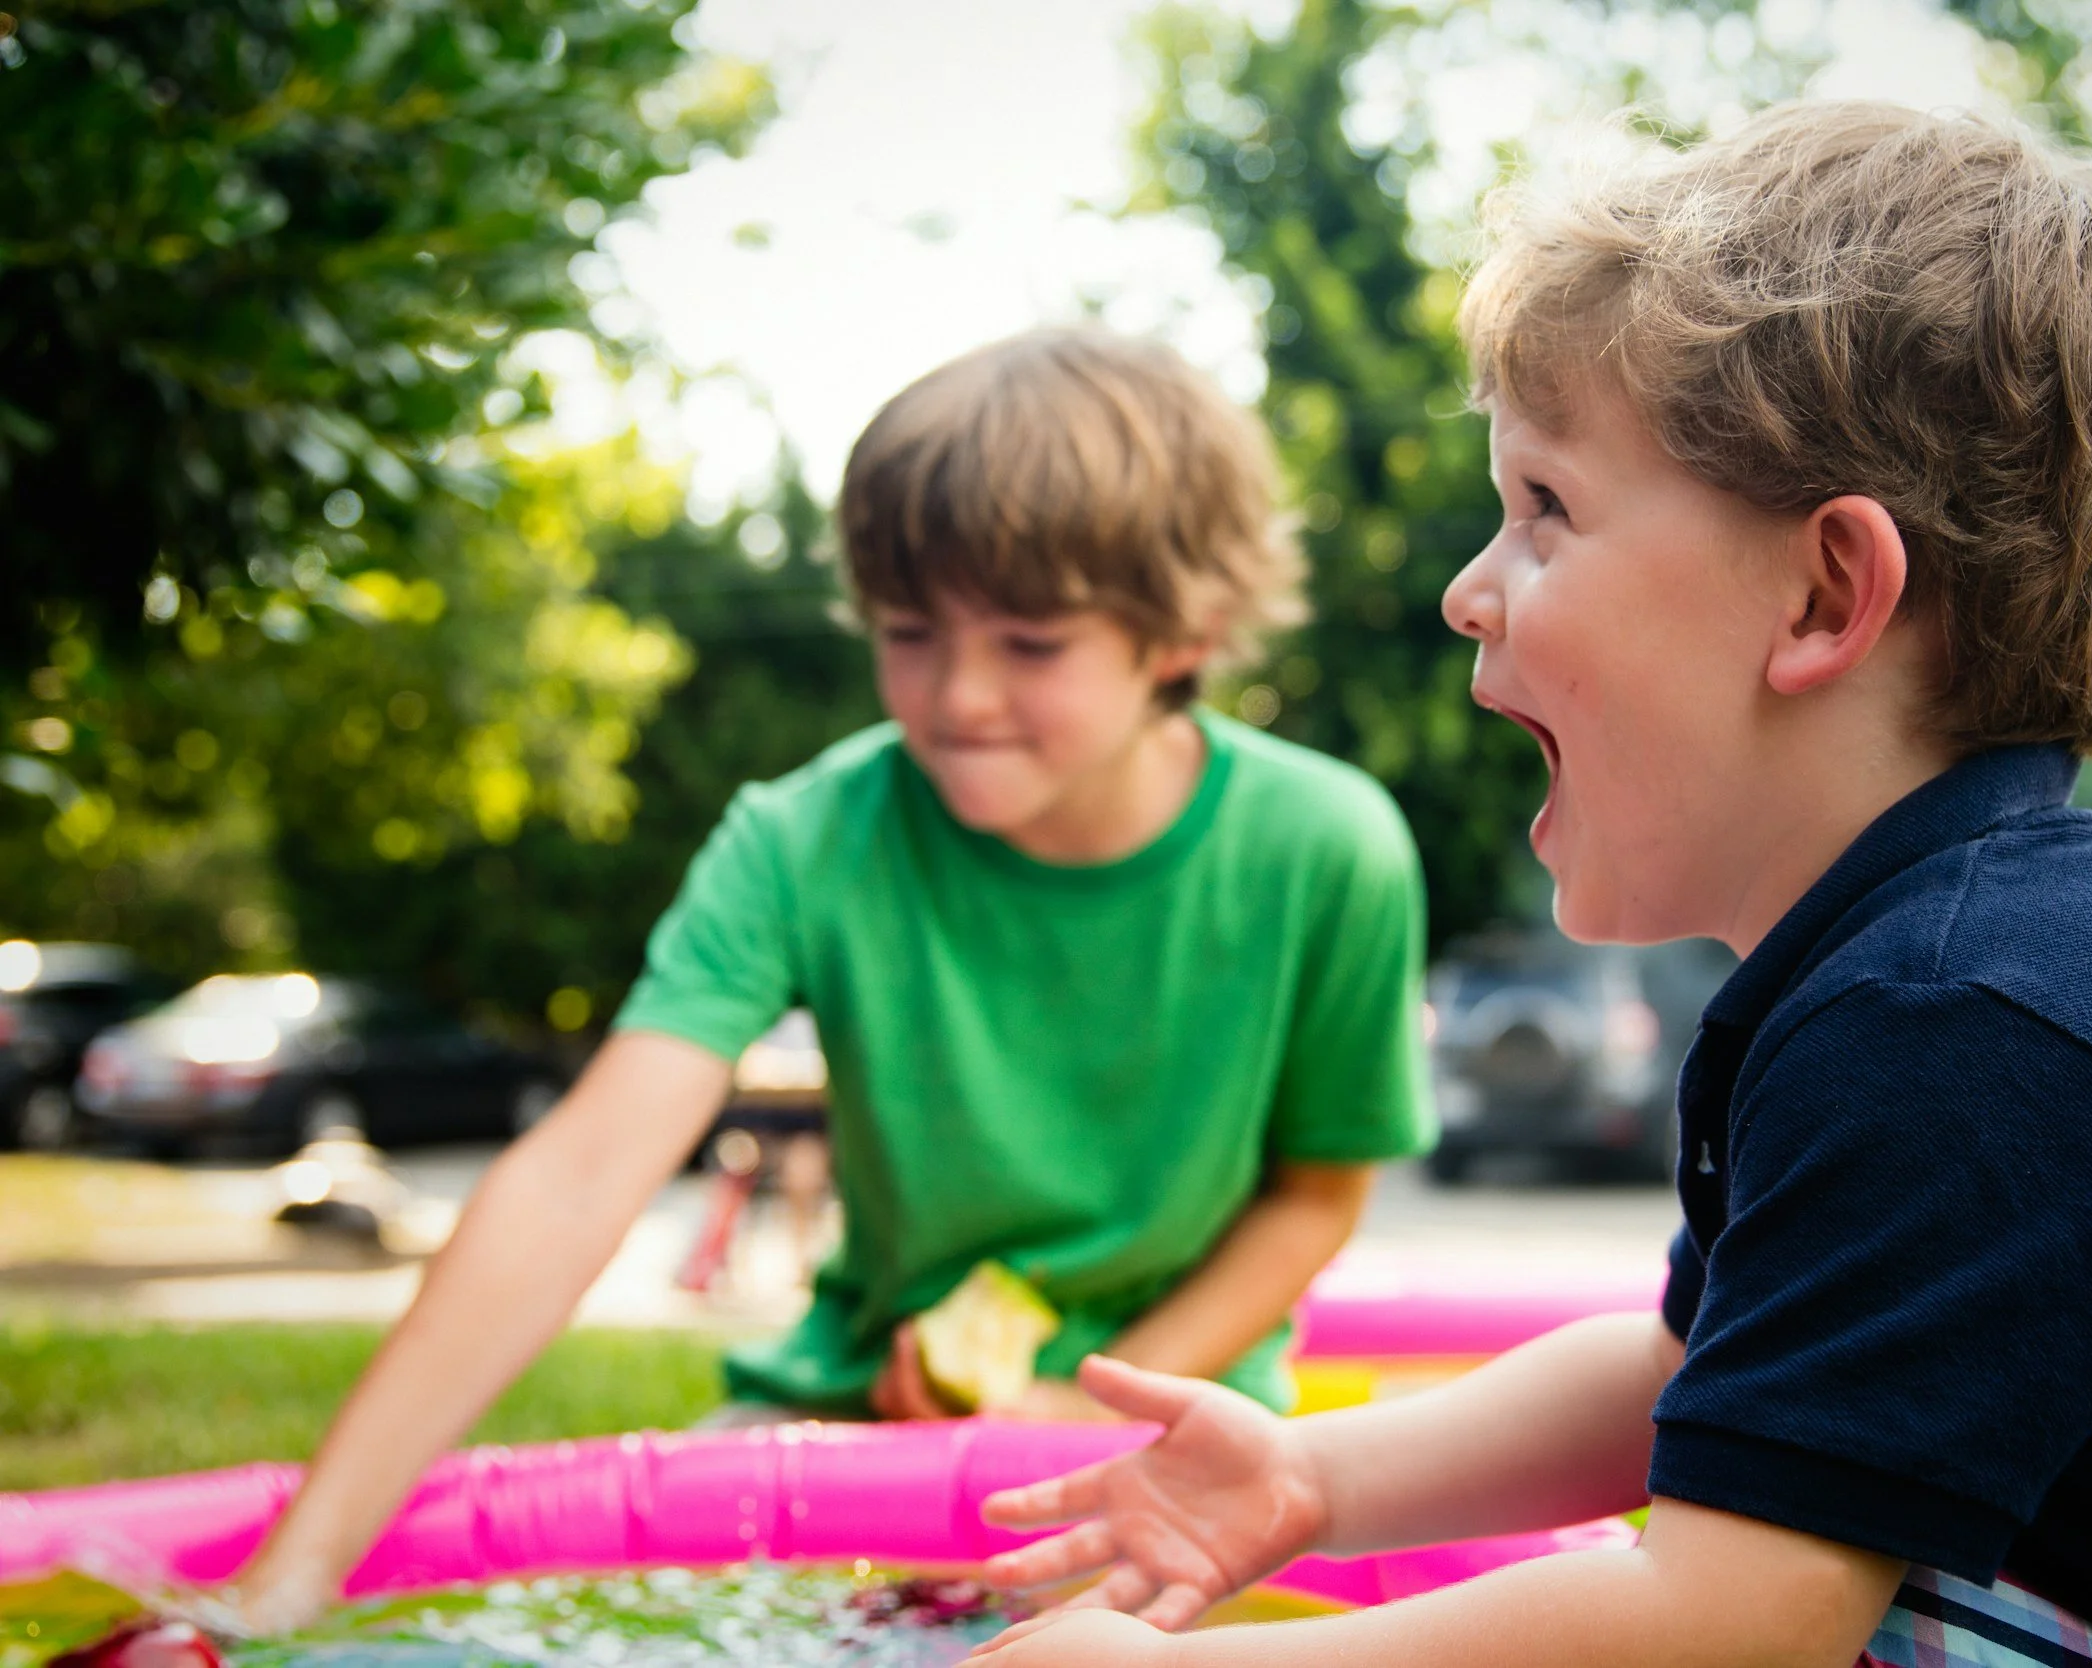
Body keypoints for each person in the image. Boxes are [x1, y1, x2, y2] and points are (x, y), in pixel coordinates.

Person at [959, 103, 2092, 1668]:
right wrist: (1311, 1476)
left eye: (1547, 509)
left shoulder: (1974, 1022)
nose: (1467, 590)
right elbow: (1686, 1374)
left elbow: (1727, 1623)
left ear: (1826, 592)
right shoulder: (1915, 970)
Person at [230, 328, 1437, 1626]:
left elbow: (1314, 1198)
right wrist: (291, 1574)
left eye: (1031, 644)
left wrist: (1084, 1400)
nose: (959, 696)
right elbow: (578, 1176)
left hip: (1179, 1436)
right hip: (848, 1418)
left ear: (1183, 631)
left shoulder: (1330, 849)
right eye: (909, 633)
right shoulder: (803, 838)